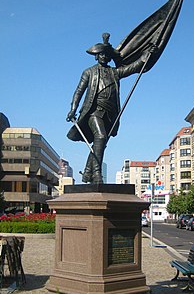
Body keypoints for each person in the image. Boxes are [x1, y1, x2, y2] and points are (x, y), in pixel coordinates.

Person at [66, 33, 153, 184]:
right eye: (101, 54)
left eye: (107, 55)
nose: (104, 57)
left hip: (110, 114)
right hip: (94, 112)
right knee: (100, 138)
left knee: (101, 143)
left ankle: (87, 173)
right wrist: (73, 109)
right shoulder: (89, 72)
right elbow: (79, 91)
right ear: (96, 56)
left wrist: (146, 55)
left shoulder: (114, 72)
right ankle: (97, 175)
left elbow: (134, 67)